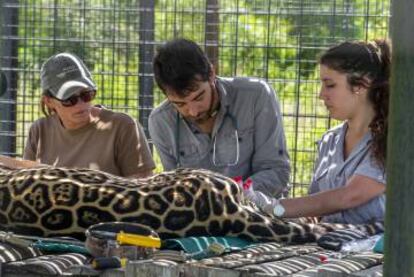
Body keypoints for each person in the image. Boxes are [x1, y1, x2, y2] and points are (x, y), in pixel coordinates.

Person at [244, 39, 390, 224]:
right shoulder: (329, 140)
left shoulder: (391, 139)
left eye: (330, 85)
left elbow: (350, 196)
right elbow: (315, 208)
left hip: (374, 247)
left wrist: (274, 207)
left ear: (360, 85)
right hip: (328, 245)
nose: (321, 94)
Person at [148, 38, 290, 197]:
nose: (193, 111)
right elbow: (175, 187)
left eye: (198, 97)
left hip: (256, 211)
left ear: (211, 74)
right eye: (180, 104)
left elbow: (277, 172)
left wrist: (229, 196)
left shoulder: (257, 96)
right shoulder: (160, 122)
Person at [24, 52, 155, 178]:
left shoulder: (123, 126)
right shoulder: (39, 130)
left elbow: (142, 187)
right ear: (48, 101)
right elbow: (27, 184)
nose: (81, 104)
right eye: (69, 99)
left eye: (86, 94)